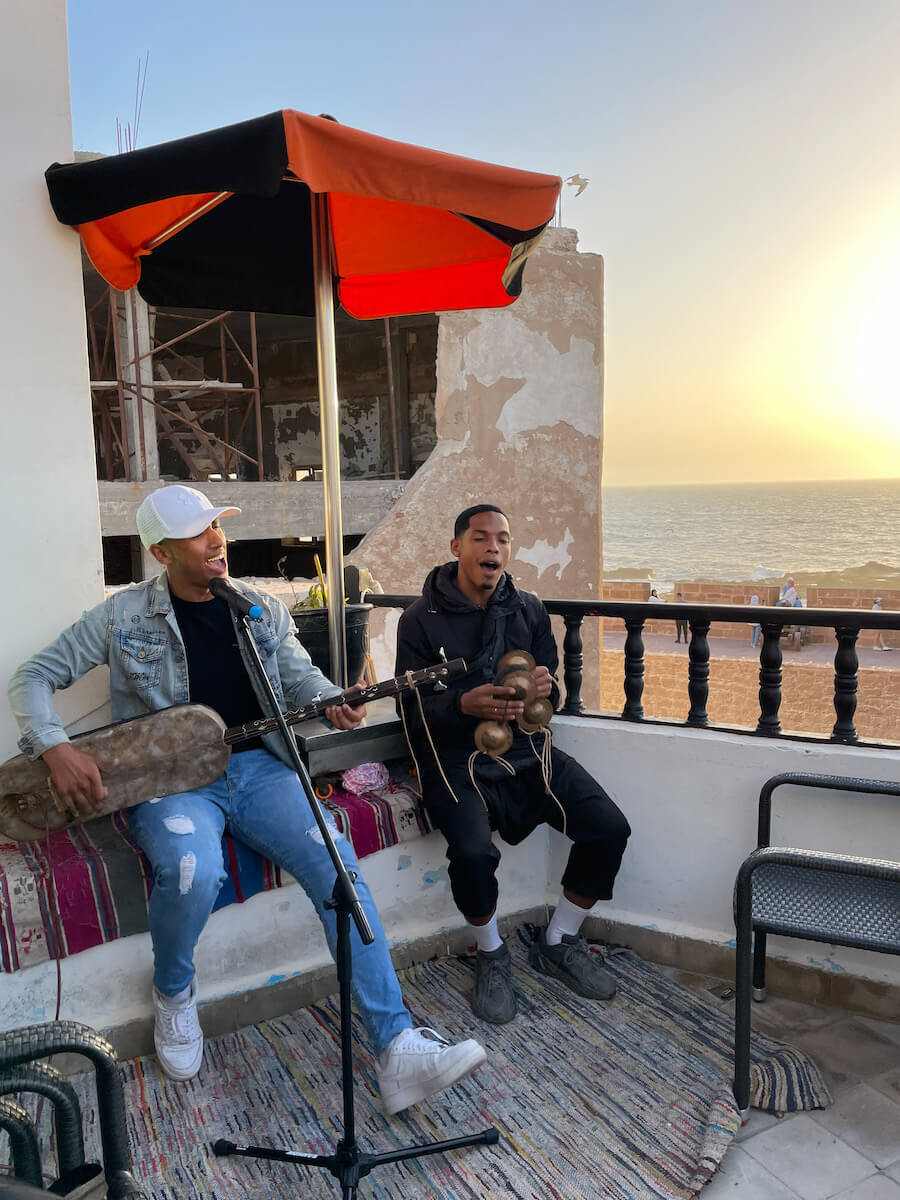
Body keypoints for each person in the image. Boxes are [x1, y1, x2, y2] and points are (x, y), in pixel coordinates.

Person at [8, 485, 485, 1114]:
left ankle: (398, 1048)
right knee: (191, 869)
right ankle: (174, 994)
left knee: (337, 868)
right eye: (197, 532)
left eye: (216, 527)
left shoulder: (260, 610)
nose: (215, 541)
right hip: (171, 784)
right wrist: (55, 748)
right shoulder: (122, 617)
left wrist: (335, 699)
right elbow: (31, 678)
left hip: (261, 772)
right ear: (160, 551)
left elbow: (300, 680)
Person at [395, 505, 630, 1025]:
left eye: (502, 539)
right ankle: (492, 951)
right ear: (457, 548)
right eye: (481, 538)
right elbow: (410, 711)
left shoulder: (528, 609)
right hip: (457, 759)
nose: (493, 548)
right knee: (474, 854)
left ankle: (558, 940)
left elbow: (555, 698)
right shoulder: (419, 620)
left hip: (528, 752)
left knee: (609, 828)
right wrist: (463, 704)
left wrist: (546, 691)